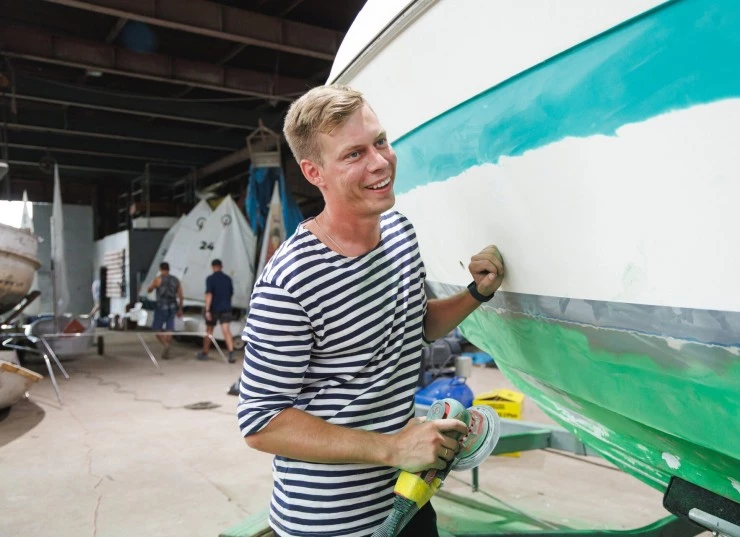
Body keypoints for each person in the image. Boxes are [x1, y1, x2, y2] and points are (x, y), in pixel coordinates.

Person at [237, 85, 504, 537]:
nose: (380, 162)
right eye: (354, 154)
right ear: (314, 172)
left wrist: (475, 294)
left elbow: (412, 325)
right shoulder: (289, 282)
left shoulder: (400, 233)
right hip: (328, 523)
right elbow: (261, 423)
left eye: (380, 141)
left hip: (410, 498)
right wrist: (391, 448)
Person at [196, 259, 236, 362]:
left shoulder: (210, 279)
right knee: (226, 331)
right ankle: (231, 353)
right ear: (221, 267)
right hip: (226, 308)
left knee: (209, 331)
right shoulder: (228, 279)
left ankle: (205, 353)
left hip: (213, 309)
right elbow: (231, 293)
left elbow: (209, 294)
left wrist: (207, 310)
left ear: (212, 267)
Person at [147, 262, 183, 359]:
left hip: (161, 306)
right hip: (173, 306)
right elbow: (181, 296)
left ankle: (165, 344)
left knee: (156, 328)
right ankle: (167, 347)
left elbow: (149, 290)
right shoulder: (176, 280)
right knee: (169, 328)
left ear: (160, 269)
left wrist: (152, 286)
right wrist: (180, 309)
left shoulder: (158, 279)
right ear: (168, 269)